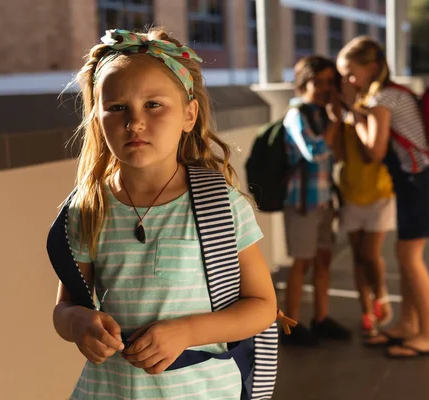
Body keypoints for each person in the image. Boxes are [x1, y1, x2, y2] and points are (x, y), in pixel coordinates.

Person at [52, 27, 277, 398]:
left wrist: (188, 331)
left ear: (189, 115)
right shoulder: (88, 209)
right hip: (109, 390)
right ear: (97, 117)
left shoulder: (220, 207)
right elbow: (65, 308)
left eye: (153, 105)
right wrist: (79, 322)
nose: (134, 122)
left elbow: (262, 307)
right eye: (117, 108)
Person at [336, 36, 429, 358]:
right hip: (418, 181)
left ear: (371, 67)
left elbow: (374, 150)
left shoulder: (383, 98)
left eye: (350, 73)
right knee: (405, 255)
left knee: (410, 257)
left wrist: (353, 112)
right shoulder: (390, 93)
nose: (347, 81)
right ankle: (409, 325)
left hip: (422, 182)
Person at [281, 55, 352, 346]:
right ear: (303, 84)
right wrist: (336, 122)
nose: (324, 88)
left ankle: (320, 319)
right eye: (317, 82)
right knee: (302, 263)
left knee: (323, 260)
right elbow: (315, 151)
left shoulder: (325, 114)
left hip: (324, 201)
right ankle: (291, 326)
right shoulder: (297, 115)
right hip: (301, 202)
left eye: (329, 82)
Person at [332, 79, 395, 338]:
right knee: (358, 257)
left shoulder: (373, 112)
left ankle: (381, 295)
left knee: (370, 253)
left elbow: (372, 152)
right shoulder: (345, 121)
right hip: (351, 192)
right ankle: (367, 312)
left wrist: (355, 114)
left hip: (379, 192)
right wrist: (337, 121)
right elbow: (339, 156)